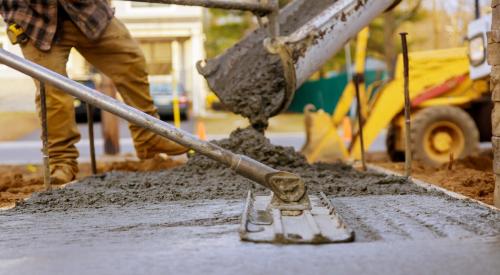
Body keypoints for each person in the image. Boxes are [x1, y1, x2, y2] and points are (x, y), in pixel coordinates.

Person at [0, 0, 188, 184]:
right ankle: (61, 161)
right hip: (35, 20)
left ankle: (149, 138)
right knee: (52, 92)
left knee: (131, 62)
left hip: (87, 11)